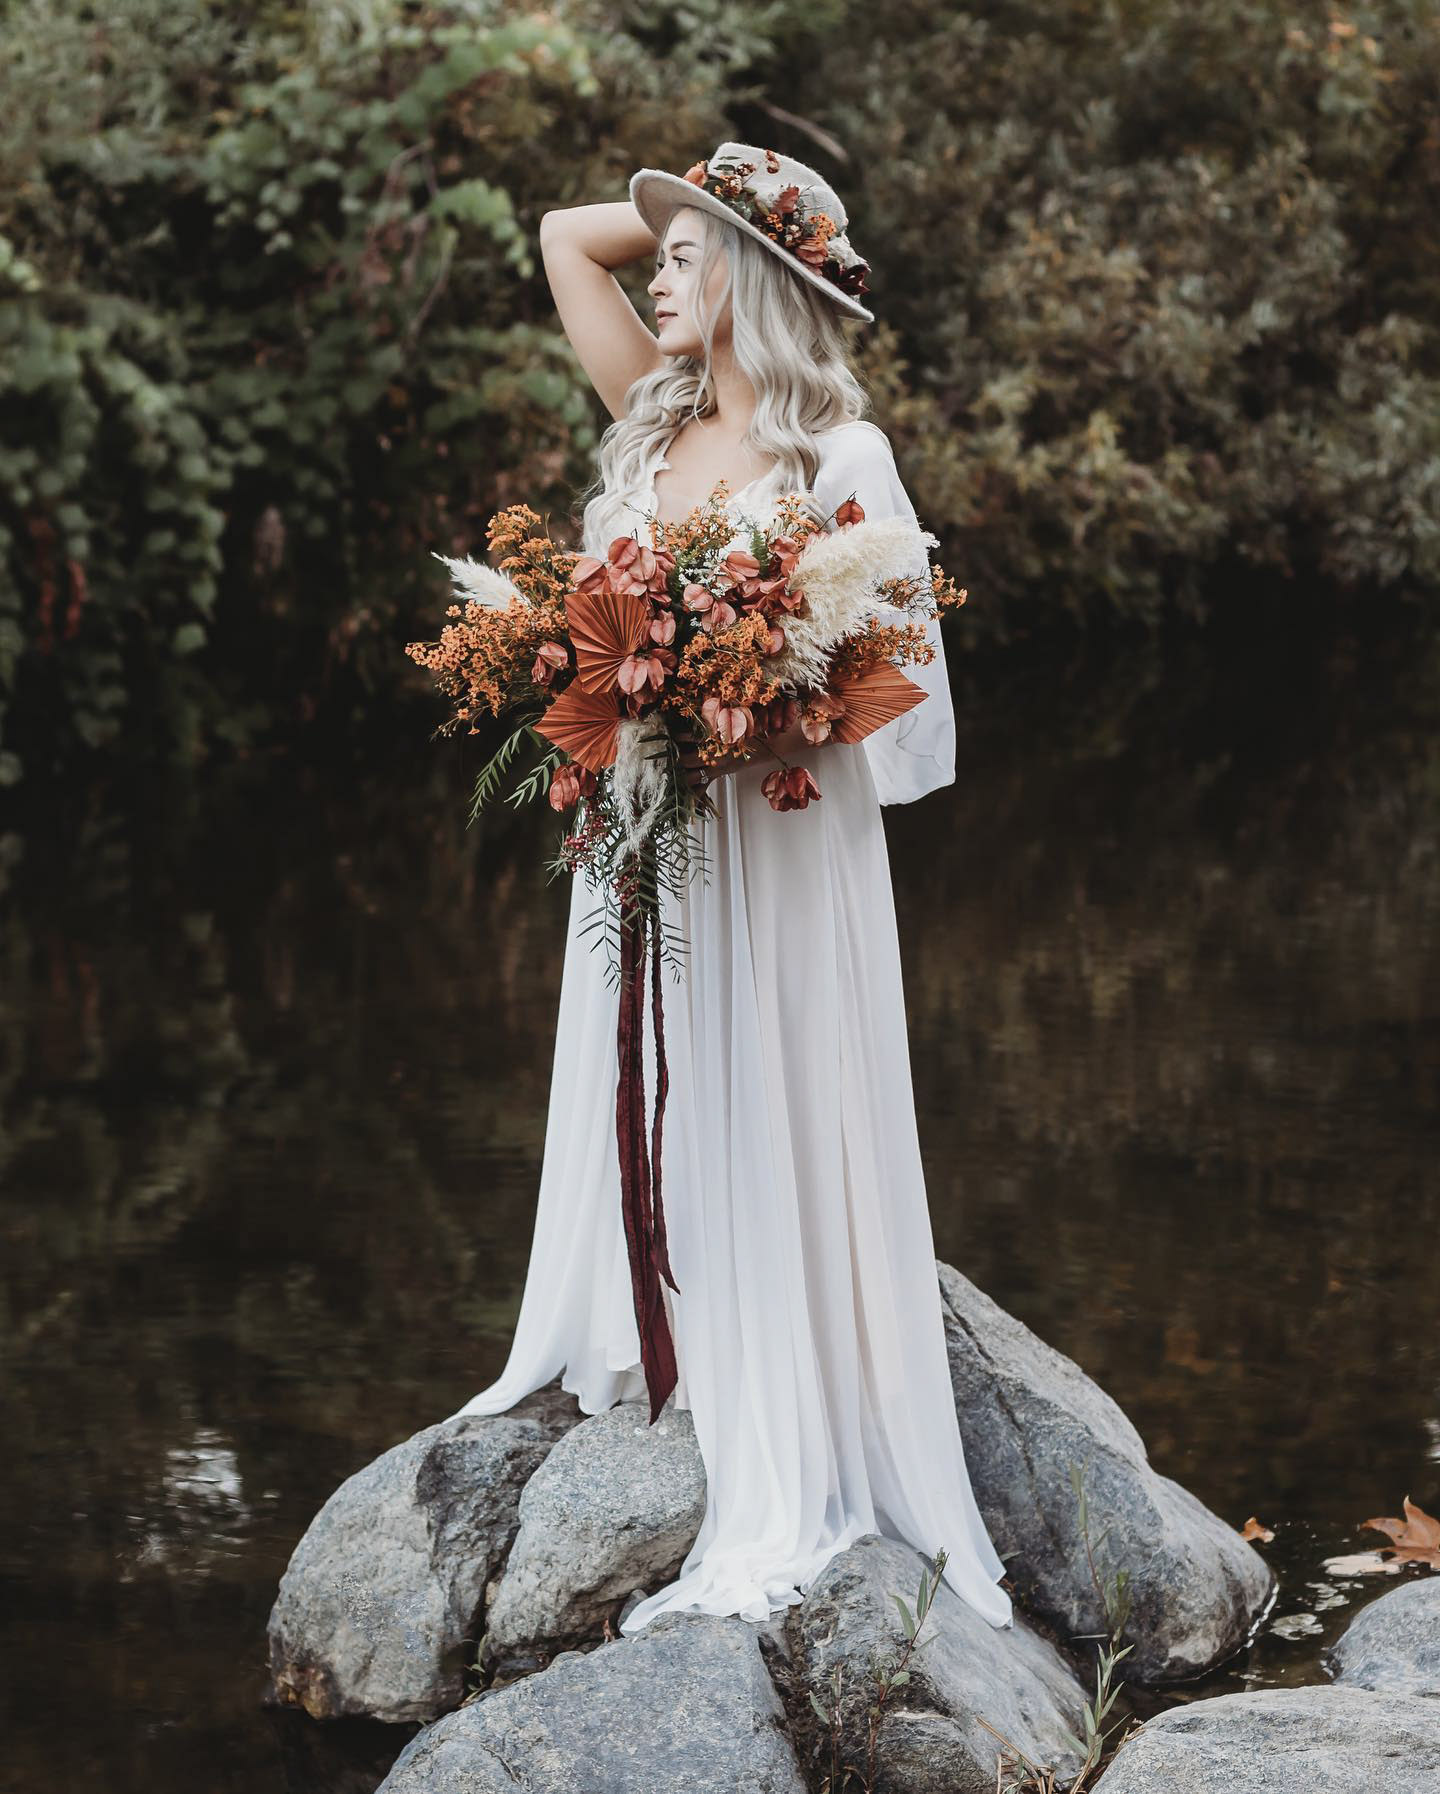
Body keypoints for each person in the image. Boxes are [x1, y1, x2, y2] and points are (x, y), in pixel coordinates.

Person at [444, 143, 1014, 1635]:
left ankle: (786, 1363)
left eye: (693, 259)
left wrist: (759, 697)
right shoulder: (656, 414)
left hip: (779, 835)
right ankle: (657, 1315)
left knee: (766, 1085)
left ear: (759, 286)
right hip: (651, 828)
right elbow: (567, 240)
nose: (662, 276)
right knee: (661, 1067)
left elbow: (910, 705)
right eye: (668, 258)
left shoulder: (843, 460)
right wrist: (689, 206)